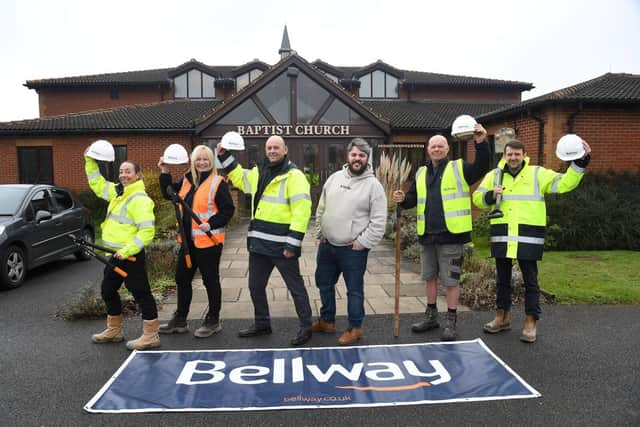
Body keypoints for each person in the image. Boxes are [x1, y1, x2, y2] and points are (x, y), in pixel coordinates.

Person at [472, 138, 591, 343]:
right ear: (504, 155)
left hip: (528, 235)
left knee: (531, 281)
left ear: (524, 155)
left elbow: (564, 184)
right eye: (510, 154)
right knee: (502, 280)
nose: (513, 157)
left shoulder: (537, 173)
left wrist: (580, 161)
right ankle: (502, 317)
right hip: (502, 234)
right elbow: (477, 198)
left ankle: (530, 321)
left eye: (517, 154)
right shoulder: (494, 175)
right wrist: (491, 195)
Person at [393, 124, 490, 341]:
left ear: (447, 149)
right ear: (428, 149)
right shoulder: (421, 172)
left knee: (451, 281)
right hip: (427, 235)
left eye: (440, 146)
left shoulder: (460, 168)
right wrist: (402, 200)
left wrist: (482, 142)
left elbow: (482, 166)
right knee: (429, 278)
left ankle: (451, 321)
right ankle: (431, 317)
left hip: (451, 235)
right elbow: (412, 198)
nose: (436, 149)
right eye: (433, 146)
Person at [216, 135, 314, 346]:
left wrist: (293, 243)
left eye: (276, 147)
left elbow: (302, 211)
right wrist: (224, 156)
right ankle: (262, 324)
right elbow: (240, 177)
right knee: (255, 287)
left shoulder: (294, 176)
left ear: (285, 150)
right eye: (269, 147)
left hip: (282, 246)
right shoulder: (260, 171)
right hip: (259, 244)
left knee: (295, 287)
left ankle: (306, 327)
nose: (272, 151)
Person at [312, 138, 387, 345]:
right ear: (348, 156)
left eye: (362, 156)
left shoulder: (374, 186)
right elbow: (321, 207)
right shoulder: (334, 178)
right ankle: (327, 321)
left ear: (367, 159)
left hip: (352, 250)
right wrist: (321, 231)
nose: (357, 159)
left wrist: (363, 243)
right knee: (323, 284)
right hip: (327, 246)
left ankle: (355, 328)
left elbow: (379, 221)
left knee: (354, 290)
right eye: (354, 154)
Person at [157, 145, 235, 338]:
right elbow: (169, 193)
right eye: (198, 159)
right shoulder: (187, 180)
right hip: (188, 243)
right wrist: (164, 172)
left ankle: (213, 320)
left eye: (205, 159)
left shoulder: (218, 182)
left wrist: (211, 224)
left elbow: (228, 210)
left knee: (210, 281)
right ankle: (181, 320)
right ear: (193, 162)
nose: (202, 163)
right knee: (182, 279)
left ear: (211, 161)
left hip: (209, 242)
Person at [85, 151, 159, 350]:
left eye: (128, 172)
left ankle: (151, 335)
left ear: (138, 175)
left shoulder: (140, 199)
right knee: (107, 290)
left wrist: (127, 251)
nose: (123, 175)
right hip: (113, 255)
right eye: (121, 171)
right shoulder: (118, 192)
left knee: (141, 293)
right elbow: (97, 183)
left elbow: (147, 232)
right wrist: (90, 160)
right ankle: (114, 330)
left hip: (131, 256)